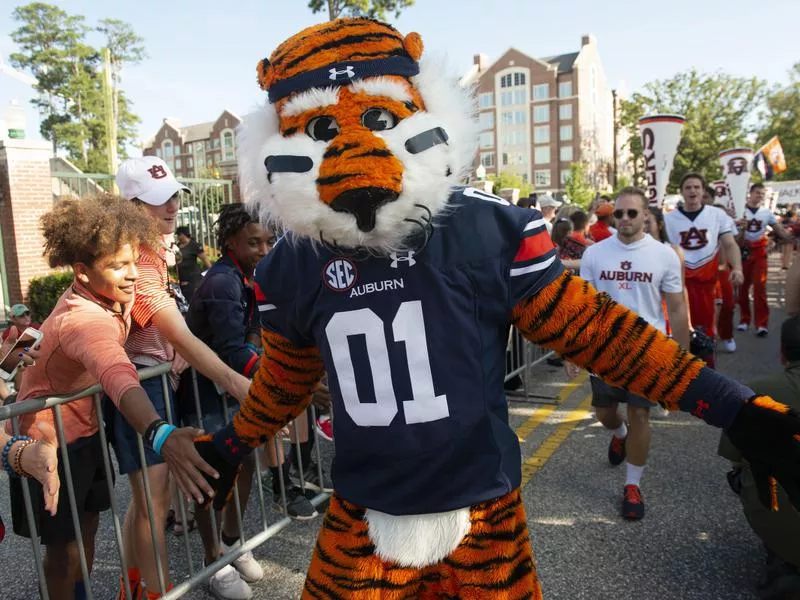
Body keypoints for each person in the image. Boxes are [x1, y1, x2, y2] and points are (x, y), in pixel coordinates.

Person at [8, 196, 215, 600]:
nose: (133, 275)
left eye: (134, 261)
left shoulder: (99, 295)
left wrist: (10, 362)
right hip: (47, 445)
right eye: (118, 266)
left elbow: (39, 335)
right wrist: (160, 433)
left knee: (86, 533)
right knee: (63, 553)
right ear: (82, 272)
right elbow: (118, 374)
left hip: (84, 434)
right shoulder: (85, 320)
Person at [109, 157, 251, 600]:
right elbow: (180, 336)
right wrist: (237, 382)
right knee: (153, 500)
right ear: (129, 207)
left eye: (173, 195)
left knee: (148, 497)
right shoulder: (133, 258)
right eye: (157, 200)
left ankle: (133, 587)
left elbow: (174, 337)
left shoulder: (147, 252)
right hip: (137, 385)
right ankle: (154, 591)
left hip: (143, 382)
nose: (171, 206)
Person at [580, 187, 690, 520]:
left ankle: (632, 484)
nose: (625, 219)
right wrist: (574, 351)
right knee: (605, 413)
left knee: (641, 413)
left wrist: (682, 360)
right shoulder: (594, 253)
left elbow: (677, 307)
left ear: (646, 215)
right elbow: (584, 307)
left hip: (647, 350)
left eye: (632, 213)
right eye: (619, 213)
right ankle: (619, 435)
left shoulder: (664, 255)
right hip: (604, 351)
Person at [718, 315, 800, 598]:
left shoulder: (757, 393)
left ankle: (784, 552)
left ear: (782, 355)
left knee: (744, 474)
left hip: (781, 511)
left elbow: (734, 457)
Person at [664, 173, 743, 367]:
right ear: (681, 192)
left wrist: (738, 268)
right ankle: (681, 376)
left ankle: (707, 377)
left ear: (703, 190)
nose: (692, 191)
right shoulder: (668, 219)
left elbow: (730, 244)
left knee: (706, 334)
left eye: (696, 187)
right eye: (688, 187)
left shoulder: (717, 215)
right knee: (678, 332)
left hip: (707, 282)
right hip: (678, 282)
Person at [737, 183, 791, 337]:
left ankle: (762, 323)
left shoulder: (766, 213)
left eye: (762, 194)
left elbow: (778, 229)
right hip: (744, 251)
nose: (760, 196)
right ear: (751, 193)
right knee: (742, 287)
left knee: (760, 286)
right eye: (758, 193)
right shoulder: (741, 211)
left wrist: (790, 238)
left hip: (760, 252)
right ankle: (744, 319)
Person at [175, 226, 212, 303]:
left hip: (194, 280)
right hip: (182, 280)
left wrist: (213, 273)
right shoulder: (177, 246)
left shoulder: (194, 245)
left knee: (194, 301)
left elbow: (205, 260)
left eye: (178, 235)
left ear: (183, 234)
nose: (177, 237)